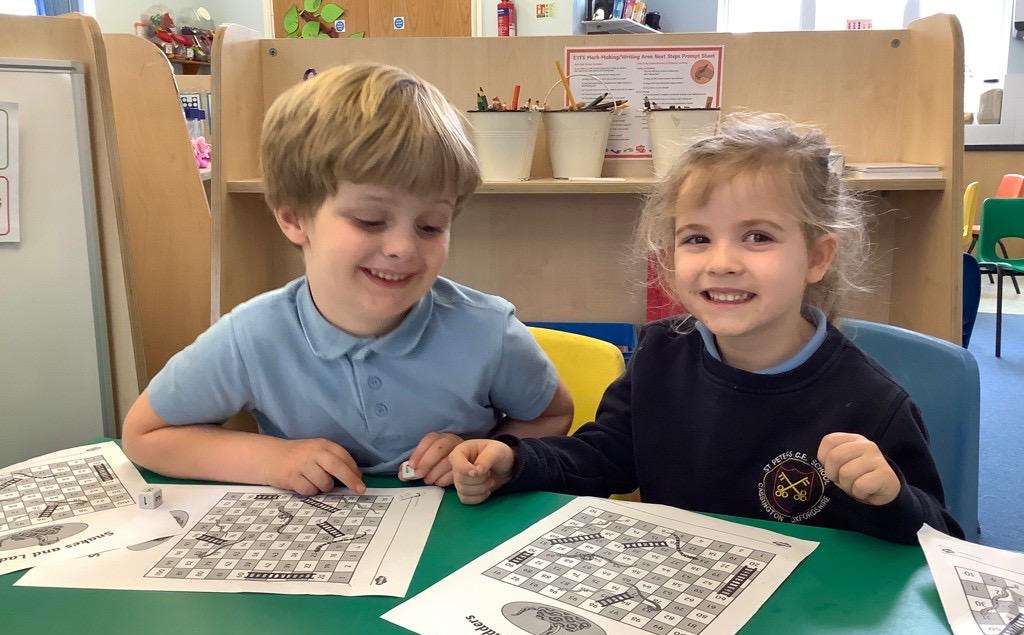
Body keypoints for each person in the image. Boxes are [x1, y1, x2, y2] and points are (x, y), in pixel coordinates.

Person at [450, 113, 963, 544]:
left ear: (817, 256)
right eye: (696, 238)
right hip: (681, 602)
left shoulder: (872, 402)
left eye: (757, 236)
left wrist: (890, 498)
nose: (721, 263)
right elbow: (604, 456)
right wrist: (516, 462)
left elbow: (942, 543)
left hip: (807, 617)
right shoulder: (659, 354)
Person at [123, 62, 573, 496]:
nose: (403, 247)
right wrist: (270, 459)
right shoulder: (252, 335)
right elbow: (145, 435)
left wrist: (485, 453)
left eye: (430, 226)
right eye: (370, 220)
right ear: (294, 219)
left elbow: (552, 415)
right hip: (311, 539)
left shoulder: (487, 330)